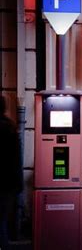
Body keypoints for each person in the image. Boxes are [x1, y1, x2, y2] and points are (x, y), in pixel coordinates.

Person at [0, 96, 23, 250]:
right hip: (7, 183)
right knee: (2, 222)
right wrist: (18, 183)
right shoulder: (10, 127)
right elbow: (17, 159)